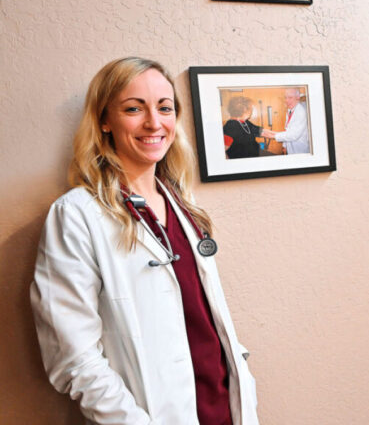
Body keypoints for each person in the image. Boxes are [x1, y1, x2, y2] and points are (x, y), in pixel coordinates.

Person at [30, 57, 259, 424]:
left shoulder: (182, 203)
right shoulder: (76, 215)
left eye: (164, 108)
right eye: (134, 109)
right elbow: (72, 357)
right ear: (105, 120)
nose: (154, 122)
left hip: (224, 406)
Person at [261, 88, 310, 154]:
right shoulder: (290, 109)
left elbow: (294, 135)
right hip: (290, 147)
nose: (287, 100)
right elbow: (288, 129)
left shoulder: (301, 111)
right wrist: (284, 145)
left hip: (300, 150)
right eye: (285, 97)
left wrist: (273, 135)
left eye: (290, 97)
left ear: (297, 97)